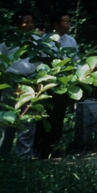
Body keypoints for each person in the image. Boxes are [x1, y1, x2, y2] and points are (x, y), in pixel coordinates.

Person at [33, 12, 79, 159]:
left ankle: (55, 148)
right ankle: (40, 148)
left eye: (69, 22)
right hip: (47, 83)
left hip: (64, 84)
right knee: (44, 116)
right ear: (55, 25)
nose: (68, 25)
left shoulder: (71, 41)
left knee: (59, 116)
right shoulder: (45, 41)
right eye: (65, 22)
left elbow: (75, 60)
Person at [0, 12, 38, 158]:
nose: (30, 24)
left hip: (30, 81)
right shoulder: (6, 43)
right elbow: (0, 64)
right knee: (7, 117)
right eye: (26, 21)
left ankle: (24, 156)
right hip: (11, 82)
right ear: (17, 24)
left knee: (28, 118)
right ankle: (3, 153)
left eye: (31, 21)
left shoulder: (37, 42)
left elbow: (40, 63)